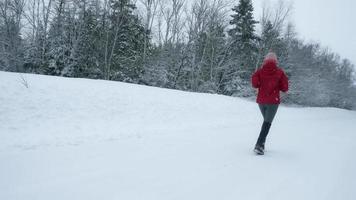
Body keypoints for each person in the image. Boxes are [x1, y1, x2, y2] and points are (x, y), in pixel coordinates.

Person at [251, 52, 289, 155]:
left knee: (266, 122)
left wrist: (261, 82)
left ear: (265, 61)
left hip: (261, 101)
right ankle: (259, 145)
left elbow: (255, 84)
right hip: (273, 102)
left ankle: (261, 145)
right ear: (276, 61)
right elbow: (285, 88)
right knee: (267, 123)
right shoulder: (280, 72)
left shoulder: (259, 71)